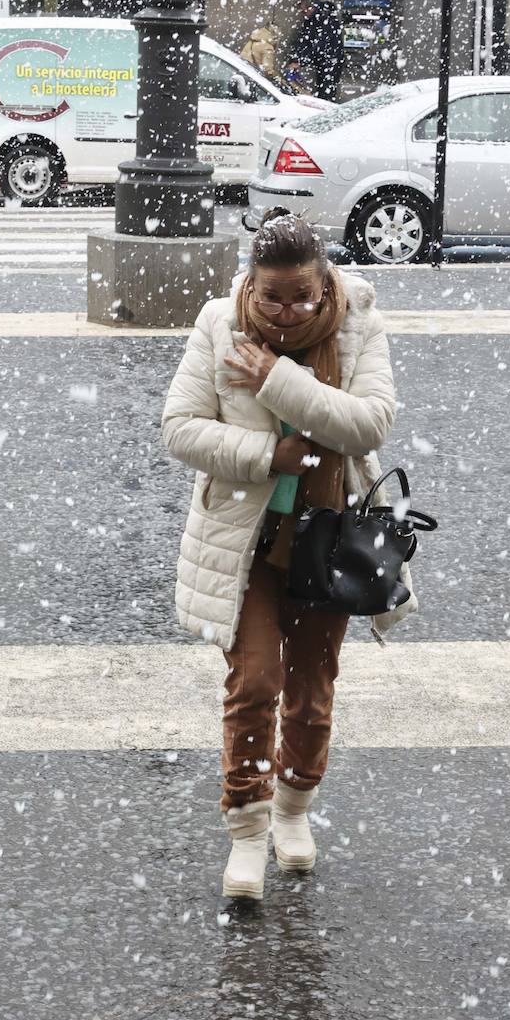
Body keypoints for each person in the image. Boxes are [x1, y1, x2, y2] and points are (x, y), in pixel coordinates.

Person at [162, 208, 416, 902]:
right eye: (271, 295)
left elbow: (370, 422)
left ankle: (293, 812)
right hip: (245, 549)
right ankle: (246, 832)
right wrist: (265, 454)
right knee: (255, 684)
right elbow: (179, 429)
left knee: (310, 693)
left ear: (325, 279)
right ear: (250, 282)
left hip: (329, 545)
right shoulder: (220, 324)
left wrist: (277, 378)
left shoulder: (358, 319)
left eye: (302, 294)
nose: (286, 309)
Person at [287, 0, 345, 101]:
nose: (302, 13)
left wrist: (301, 61)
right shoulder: (313, 20)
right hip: (324, 63)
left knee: (325, 94)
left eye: (303, 10)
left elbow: (318, 45)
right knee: (322, 91)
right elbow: (304, 41)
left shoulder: (324, 20)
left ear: (311, 7)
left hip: (329, 63)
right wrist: (295, 59)